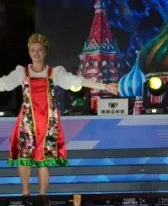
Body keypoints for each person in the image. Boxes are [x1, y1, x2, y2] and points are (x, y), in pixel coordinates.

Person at [1, 33, 118, 196]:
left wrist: (104, 86)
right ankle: (25, 194)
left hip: (47, 121)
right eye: (33, 50)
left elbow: (77, 81)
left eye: (39, 50)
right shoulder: (22, 72)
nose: (36, 53)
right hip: (27, 120)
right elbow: (4, 84)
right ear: (29, 52)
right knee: (24, 157)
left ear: (45, 52)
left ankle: (42, 197)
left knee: (43, 161)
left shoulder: (54, 73)